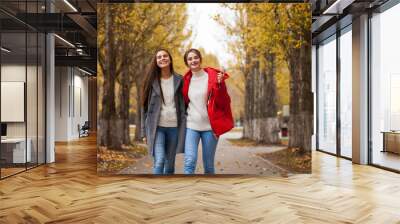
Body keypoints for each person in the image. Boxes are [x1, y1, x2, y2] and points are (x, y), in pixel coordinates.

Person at [182, 48, 234, 174]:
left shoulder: (213, 77)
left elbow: (224, 102)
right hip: (191, 126)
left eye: (195, 57)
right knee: (189, 161)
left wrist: (220, 85)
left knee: (209, 165)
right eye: (190, 59)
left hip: (210, 128)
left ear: (200, 59)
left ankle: (209, 191)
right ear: (186, 63)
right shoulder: (185, 81)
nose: (193, 60)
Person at [141, 49, 186, 174]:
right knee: (160, 160)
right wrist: (144, 132)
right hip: (157, 128)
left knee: (170, 165)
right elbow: (144, 109)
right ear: (156, 61)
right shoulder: (151, 81)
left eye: (165, 56)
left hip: (174, 128)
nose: (162, 58)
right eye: (159, 57)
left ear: (170, 59)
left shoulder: (179, 80)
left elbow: (185, 105)